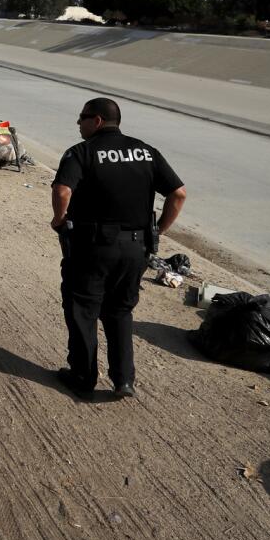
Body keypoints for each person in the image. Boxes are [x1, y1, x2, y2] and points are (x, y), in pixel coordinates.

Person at [49, 97, 186, 400]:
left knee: (83, 310)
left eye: (82, 117)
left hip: (92, 247)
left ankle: (83, 377)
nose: (78, 123)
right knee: (120, 312)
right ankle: (124, 380)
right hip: (135, 248)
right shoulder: (146, 151)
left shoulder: (81, 152)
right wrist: (157, 231)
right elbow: (178, 194)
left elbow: (62, 190)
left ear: (97, 121)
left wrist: (59, 221)